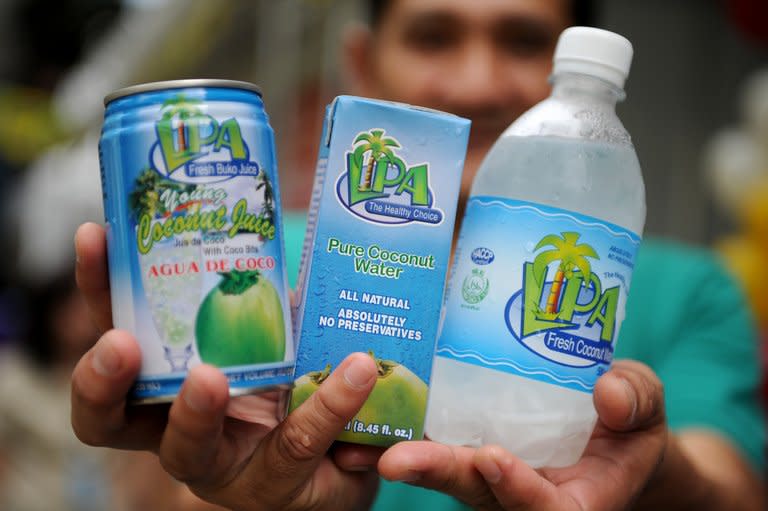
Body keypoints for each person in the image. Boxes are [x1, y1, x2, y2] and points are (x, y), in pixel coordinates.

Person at [70, 0, 766, 510]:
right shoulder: (257, 259)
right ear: (362, 62)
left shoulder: (691, 289)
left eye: (521, 42)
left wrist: (653, 471)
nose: (477, 83)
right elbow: (170, 486)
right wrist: (231, 486)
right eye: (434, 37)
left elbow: (734, 484)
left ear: (565, 66)